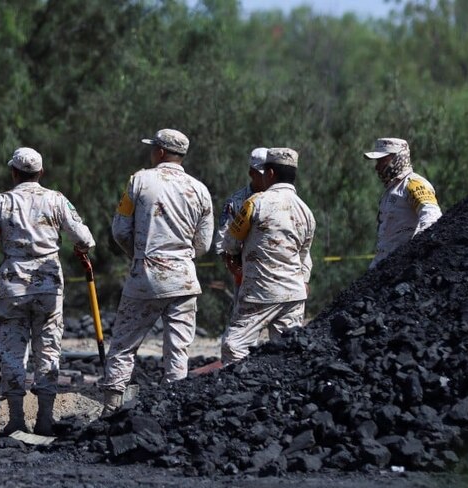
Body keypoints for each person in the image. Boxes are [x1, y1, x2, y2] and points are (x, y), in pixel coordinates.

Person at [0, 147, 94, 436]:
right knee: (48, 349)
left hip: (13, 284)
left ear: (14, 172)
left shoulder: (2, 203)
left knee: (13, 352)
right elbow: (84, 237)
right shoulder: (56, 200)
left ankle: (15, 420)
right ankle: (45, 420)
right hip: (49, 283)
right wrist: (79, 249)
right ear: (41, 173)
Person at [100, 129, 214, 416]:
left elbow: (120, 229)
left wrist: (139, 254)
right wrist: (183, 258)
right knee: (178, 351)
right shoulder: (200, 190)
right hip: (184, 280)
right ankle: (173, 412)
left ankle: (111, 407)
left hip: (145, 277)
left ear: (161, 152)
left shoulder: (139, 181)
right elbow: (204, 243)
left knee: (124, 344)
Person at [219, 148, 315, 365]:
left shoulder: (255, 203)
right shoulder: (306, 211)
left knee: (234, 345)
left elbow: (230, 243)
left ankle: (235, 391)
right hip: (294, 293)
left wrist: (235, 260)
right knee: (288, 350)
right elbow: (304, 255)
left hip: (260, 291)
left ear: (270, 173)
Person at [364, 138, 442, 268]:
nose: (377, 167)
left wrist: (415, 252)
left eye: (382, 161)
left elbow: (432, 217)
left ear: (397, 158)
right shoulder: (390, 191)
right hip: (382, 267)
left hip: (402, 267)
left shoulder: (413, 184)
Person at [215, 147, 267, 288]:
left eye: (269, 173)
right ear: (251, 173)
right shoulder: (236, 202)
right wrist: (233, 265)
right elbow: (223, 240)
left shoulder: (281, 199)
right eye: (262, 174)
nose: (267, 178)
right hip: (247, 277)